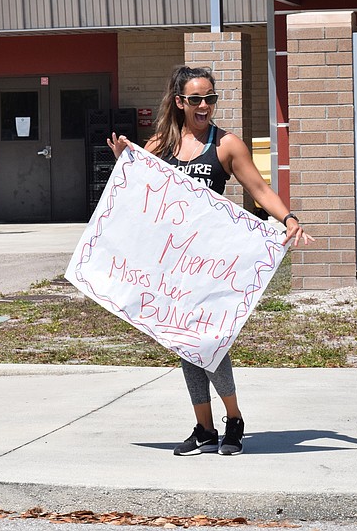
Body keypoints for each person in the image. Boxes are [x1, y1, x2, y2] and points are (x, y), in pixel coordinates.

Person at [107, 66, 314, 457]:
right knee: (186, 344)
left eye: (211, 98)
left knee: (211, 341)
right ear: (180, 101)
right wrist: (124, 162)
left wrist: (288, 218)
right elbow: (136, 191)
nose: (205, 106)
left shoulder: (226, 145)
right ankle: (204, 428)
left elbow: (259, 189)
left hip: (213, 266)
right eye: (197, 99)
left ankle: (233, 419)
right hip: (173, 267)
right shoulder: (161, 145)